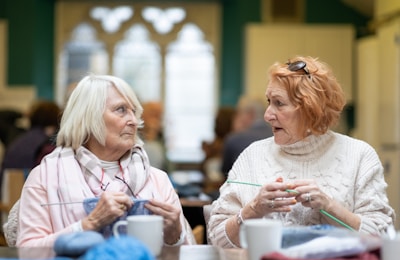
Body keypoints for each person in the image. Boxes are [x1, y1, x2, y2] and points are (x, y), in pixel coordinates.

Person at [207, 56, 395, 248]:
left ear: (310, 108)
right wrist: (254, 209)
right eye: (268, 102)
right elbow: (216, 238)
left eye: (279, 103)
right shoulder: (252, 156)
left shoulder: (360, 156)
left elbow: (382, 239)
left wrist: (328, 206)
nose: (267, 115)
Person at [14, 74, 195, 247]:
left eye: (134, 112)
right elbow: (28, 252)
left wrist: (174, 235)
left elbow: (189, 255)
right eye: (121, 110)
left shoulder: (157, 180)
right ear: (88, 117)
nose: (134, 120)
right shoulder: (45, 177)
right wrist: (89, 224)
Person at [0, 100, 61, 185]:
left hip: (6, 191)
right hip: (29, 191)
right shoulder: (49, 145)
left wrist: (24, 114)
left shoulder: (16, 136)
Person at [221, 95, 273, 176]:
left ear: (250, 114)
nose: (237, 118)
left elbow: (225, 173)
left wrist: (236, 132)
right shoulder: (279, 136)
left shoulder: (234, 140)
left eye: (239, 113)